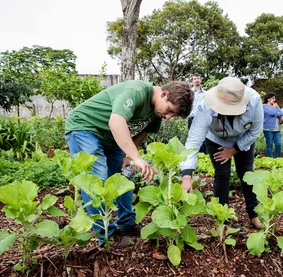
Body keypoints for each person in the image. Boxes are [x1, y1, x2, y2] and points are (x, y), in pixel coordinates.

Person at [65, 80, 193, 245]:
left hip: (111, 138)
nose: (168, 117)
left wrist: (129, 155)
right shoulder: (136, 92)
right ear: (164, 94)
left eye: (172, 116)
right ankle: (106, 236)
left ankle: (126, 224)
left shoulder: (156, 114)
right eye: (169, 111)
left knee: (126, 174)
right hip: (85, 128)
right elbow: (116, 122)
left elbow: (143, 132)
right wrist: (138, 157)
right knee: (97, 177)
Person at [180, 77, 264, 229]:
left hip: (243, 138)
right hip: (216, 138)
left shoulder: (254, 100)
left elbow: (255, 131)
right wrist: (186, 175)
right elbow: (193, 141)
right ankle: (222, 219)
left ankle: (253, 214)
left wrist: (233, 150)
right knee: (222, 174)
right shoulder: (205, 105)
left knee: (246, 174)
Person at [188, 73, 207, 153]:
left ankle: (203, 156)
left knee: (204, 138)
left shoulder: (206, 93)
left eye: (198, 78)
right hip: (192, 118)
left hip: (203, 118)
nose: (196, 80)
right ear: (192, 81)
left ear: (200, 80)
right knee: (193, 138)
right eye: (195, 79)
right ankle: (193, 155)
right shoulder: (190, 93)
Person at [262, 92, 283, 158]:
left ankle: (277, 157)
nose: (274, 100)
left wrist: (275, 110)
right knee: (270, 144)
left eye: (275, 98)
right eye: (273, 98)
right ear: (268, 99)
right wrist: (275, 108)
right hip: (268, 128)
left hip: (277, 128)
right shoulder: (264, 106)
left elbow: (281, 113)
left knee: (278, 144)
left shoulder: (276, 106)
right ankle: (270, 158)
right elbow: (272, 113)